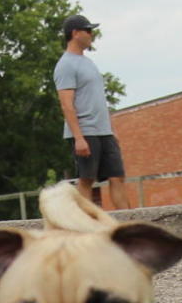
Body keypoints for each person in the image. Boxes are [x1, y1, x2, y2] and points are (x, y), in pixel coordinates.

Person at [53, 14, 130, 209]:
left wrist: (111, 129)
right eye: (88, 30)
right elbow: (67, 104)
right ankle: (84, 224)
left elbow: (98, 100)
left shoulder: (88, 63)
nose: (91, 34)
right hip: (85, 131)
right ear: (75, 33)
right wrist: (78, 137)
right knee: (87, 179)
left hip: (104, 131)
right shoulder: (65, 65)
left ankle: (129, 224)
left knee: (117, 176)